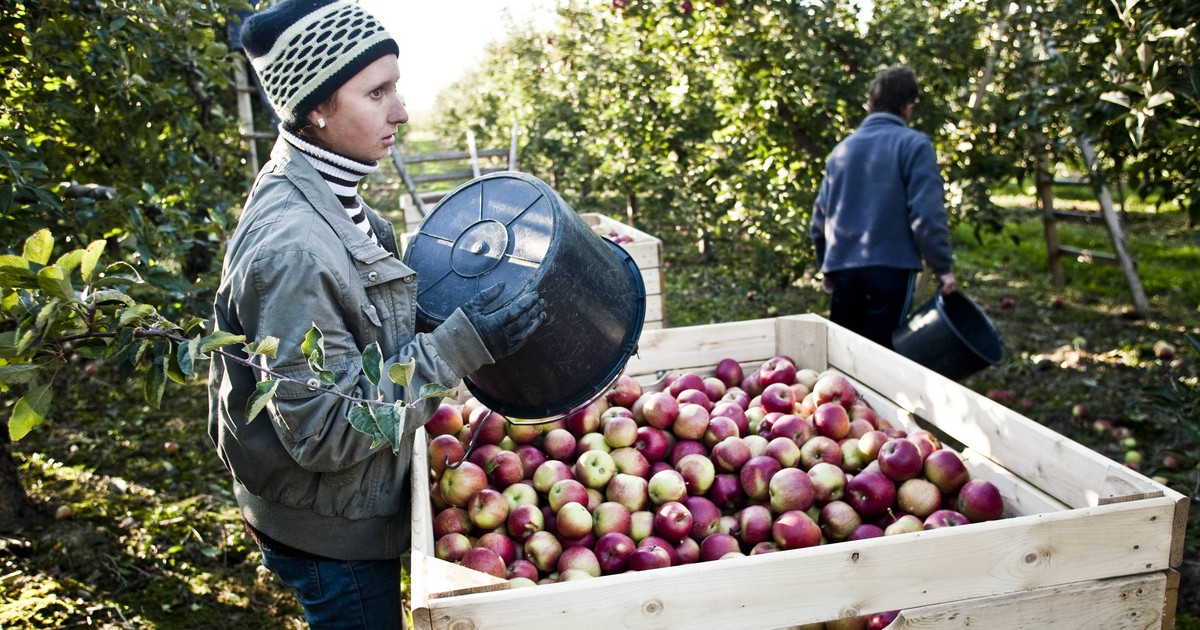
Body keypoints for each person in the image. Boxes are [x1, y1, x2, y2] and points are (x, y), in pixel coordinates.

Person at [207, 1, 546, 627]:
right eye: (376, 92)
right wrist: (457, 346)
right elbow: (324, 429)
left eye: (397, 86)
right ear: (315, 107)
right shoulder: (294, 249)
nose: (402, 111)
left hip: (347, 505)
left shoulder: (335, 199)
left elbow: (362, 334)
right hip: (330, 533)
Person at [809, 65, 957, 349]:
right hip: (891, 269)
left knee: (843, 352)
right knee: (882, 353)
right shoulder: (913, 145)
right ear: (908, 107)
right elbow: (926, 213)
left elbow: (820, 218)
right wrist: (942, 267)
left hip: (844, 268)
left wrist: (826, 264)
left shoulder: (841, 151)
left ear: (869, 104)